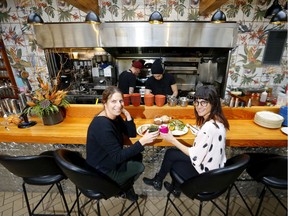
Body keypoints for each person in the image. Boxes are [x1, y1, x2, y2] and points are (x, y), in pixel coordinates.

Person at [143, 85, 229, 196]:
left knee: (173, 161)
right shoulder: (219, 120)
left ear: (214, 103)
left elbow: (194, 156)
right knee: (171, 154)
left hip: (206, 178)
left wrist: (172, 139)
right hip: (215, 171)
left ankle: (169, 185)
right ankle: (167, 184)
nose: (199, 106)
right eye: (197, 102)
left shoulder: (208, 127)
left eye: (204, 103)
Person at [86, 86, 159, 188]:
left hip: (109, 161)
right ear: (104, 102)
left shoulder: (114, 116)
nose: (118, 105)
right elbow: (118, 157)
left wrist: (128, 116)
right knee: (139, 167)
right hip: (102, 171)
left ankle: (126, 187)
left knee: (138, 155)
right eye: (113, 101)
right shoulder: (102, 126)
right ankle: (123, 189)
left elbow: (131, 134)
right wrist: (143, 141)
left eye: (121, 101)